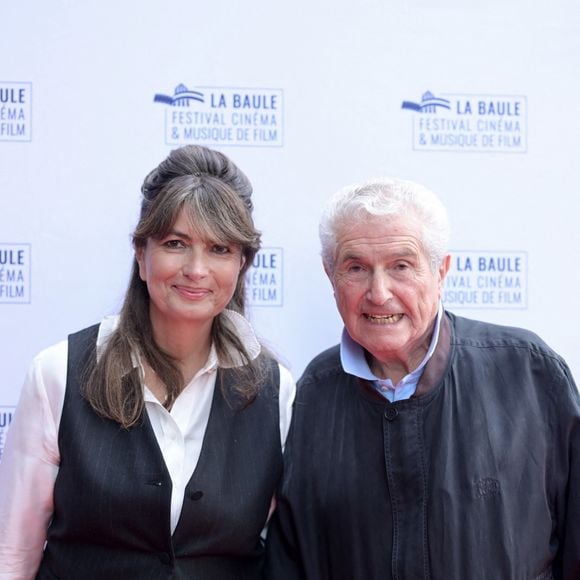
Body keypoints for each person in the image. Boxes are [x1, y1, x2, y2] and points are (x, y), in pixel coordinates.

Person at [0, 144, 295, 579]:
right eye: (176, 244)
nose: (196, 269)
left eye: (219, 249)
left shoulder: (276, 390)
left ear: (242, 265)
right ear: (142, 255)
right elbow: (13, 554)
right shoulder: (57, 373)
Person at [264, 177, 580, 579]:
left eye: (401, 266)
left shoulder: (529, 373)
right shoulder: (310, 395)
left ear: (441, 271)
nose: (379, 293)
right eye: (356, 267)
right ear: (331, 276)